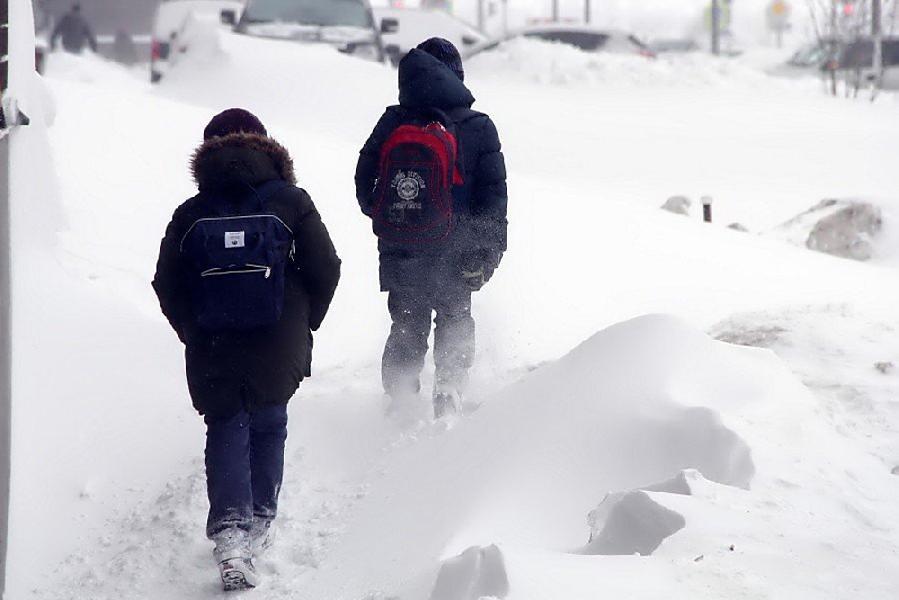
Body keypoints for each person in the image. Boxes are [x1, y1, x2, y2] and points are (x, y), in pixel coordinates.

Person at [152, 109, 341, 590]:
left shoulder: (191, 212)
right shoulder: (292, 202)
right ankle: (260, 517)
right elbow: (326, 266)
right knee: (269, 418)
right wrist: (304, 320)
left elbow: (167, 281)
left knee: (227, 423)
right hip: (279, 332)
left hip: (213, 336)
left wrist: (191, 328)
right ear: (265, 146)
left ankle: (232, 535)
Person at [355, 38, 508, 418]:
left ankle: (401, 398)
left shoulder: (392, 122)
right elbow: (492, 198)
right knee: (455, 314)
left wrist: (389, 217)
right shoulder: (478, 126)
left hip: (401, 244)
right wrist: (488, 251)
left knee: (407, 318)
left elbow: (364, 182)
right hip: (458, 245)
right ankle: (450, 392)